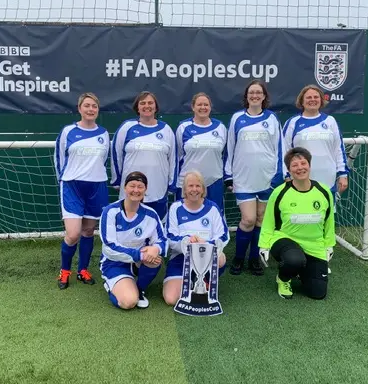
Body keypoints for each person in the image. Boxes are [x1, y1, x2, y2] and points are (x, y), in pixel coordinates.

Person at [281, 84, 349, 271]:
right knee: (300, 217)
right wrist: (287, 175)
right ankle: (297, 257)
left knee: (324, 218)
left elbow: (338, 150)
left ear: (321, 100)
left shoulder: (331, 122)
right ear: (301, 101)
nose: (312, 100)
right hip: (299, 181)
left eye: (316, 97)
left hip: (326, 179)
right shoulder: (293, 123)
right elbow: (284, 151)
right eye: (308, 97)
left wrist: (342, 173)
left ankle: (321, 259)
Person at [258, 147, 335, 300]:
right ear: (289, 170)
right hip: (285, 240)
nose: (300, 168)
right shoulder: (280, 192)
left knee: (318, 293)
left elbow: (329, 221)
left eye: (303, 163)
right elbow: (268, 221)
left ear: (309, 165)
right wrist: (264, 244)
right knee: (294, 259)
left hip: (314, 245)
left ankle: (302, 270)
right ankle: (284, 279)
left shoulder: (324, 191)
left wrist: (329, 244)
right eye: (295, 165)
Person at [224, 80, 283, 276]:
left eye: (259, 93)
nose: (255, 95)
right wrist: (229, 176)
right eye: (251, 93)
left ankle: (254, 258)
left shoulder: (272, 118)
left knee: (260, 220)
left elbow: (279, 148)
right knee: (248, 219)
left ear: (264, 96)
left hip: (267, 178)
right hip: (243, 178)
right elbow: (230, 148)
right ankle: (239, 257)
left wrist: (278, 175)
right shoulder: (237, 118)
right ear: (246, 96)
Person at [54, 92, 109, 289]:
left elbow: (103, 160)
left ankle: (83, 270)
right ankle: (65, 270)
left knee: (88, 231)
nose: (90, 109)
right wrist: (65, 179)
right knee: (73, 233)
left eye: (94, 106)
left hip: (96, 186)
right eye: (87, 106)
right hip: (72, 186)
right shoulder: (68, 131)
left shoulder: (103, 134)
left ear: (98, 109)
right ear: (79, 109)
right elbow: (59, 159)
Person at [99, 171, 166, 310]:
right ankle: (111, 285)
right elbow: (109, 247)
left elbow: (163, 240)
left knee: (155, 258)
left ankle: (140, 289)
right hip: (114, 263)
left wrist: (156, 249)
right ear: (125, 187)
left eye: (140, 186)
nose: (136, 190)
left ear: (145, 189)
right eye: (132, 186)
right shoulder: (110, 212)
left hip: (138, 262)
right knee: (129, 302)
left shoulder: (151, 214)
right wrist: (141, 255)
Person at [162, 170, 229, 306]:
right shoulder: (176, 208)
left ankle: (204, 279)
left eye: (198, 186)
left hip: (207, 257)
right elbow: (169, 236)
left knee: (221, 258)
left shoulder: (213, 208)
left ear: (203, 189)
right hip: (181, 259)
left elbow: (223, 236)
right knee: (171, 299)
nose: (194, 189)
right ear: (184, 189)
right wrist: (188, 241)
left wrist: (204, 244)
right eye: (190, 186)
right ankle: (192, 283)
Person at [110, 91, 177, 222]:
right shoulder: (127, 127)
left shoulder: (166, 130)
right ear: (137, 107)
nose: (147, 106)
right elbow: (116, 155)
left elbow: (173, 159)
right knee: (129, 226)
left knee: (156, 228)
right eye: (143, 103)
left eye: (150, 103)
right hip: (131, 189)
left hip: (158, 188)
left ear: (156, 107)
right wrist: (117, 180)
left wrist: (171, 183)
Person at [175, 92, 227, 212]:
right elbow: (177, 156)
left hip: (214, 182)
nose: (203, 107)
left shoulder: (220, 127)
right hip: (188, 184)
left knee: (214, 219)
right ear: (193, 107)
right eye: (199, 105)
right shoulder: (183, 127)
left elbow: (225, 155)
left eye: (206, 105)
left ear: (210, 107)